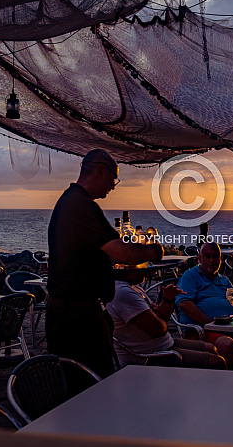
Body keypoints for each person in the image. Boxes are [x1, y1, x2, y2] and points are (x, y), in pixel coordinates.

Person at [47, 149, 164, 378]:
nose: (113, 186)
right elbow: (123, 253)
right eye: (114, 178)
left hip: (71, 313)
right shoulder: (81, 205)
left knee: (85, 385)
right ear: (101, 171)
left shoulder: (72, 202)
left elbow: (85, 261)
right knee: (90, 385)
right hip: (76, 319)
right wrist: (155, 251)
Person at [107, 267, 227, 369]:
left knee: (212, 348)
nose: (146, 269)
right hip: (149, 358)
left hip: (164, 344)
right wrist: (159, 320)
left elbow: (161, 315)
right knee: (218, 362)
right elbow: (159, 330)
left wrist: (168, 299)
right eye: (140, 265)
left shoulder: (133, 287)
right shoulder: (123, 292)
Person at [176, 242, 233, 370]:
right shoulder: (191, 276)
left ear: (221, 259)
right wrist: (210, 323)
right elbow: (184, 304)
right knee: (229, 346)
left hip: (228, 327)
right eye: (207, 256)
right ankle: (226, 382)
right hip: (202, 329)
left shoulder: (224, 280)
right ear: (200, 258)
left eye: (215, 257)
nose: (212, 260)